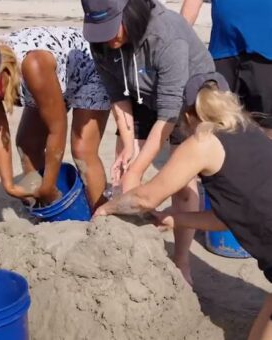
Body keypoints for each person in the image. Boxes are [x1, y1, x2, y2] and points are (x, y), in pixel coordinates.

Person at [94, 71, 272, 340]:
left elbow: (145, 198)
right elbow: (229, 218)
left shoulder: (203, 142)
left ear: (188, 114)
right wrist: (175, 219)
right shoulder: (249, 130)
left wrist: (108, 207)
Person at [81, 0, 215, 284]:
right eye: (99, 29)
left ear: (130, 12)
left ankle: (182, 260)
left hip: (186, 97)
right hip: (140, 93)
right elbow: (117, 94)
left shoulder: (167, 36)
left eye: (111, 27)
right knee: (125, 172)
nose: (107, 37)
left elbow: (168, 114)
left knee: (181, 181)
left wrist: (138, 169)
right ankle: (133, 249)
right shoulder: (101, 40)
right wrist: (129, 146)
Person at [0, 27, 111, 210]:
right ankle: (48, 207)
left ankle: (100, 213)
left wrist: (48, 185)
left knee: (82, 150)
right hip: (54, 77)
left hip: (89, 67)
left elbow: (57, 128)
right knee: (27, 143)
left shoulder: (33, 64)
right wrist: (8, 185)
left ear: (3, 70)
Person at [181, 0, 272, 138]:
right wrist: (178, 39)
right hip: (223, 50)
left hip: (266, 51)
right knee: (215, 118)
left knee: (267, 121)